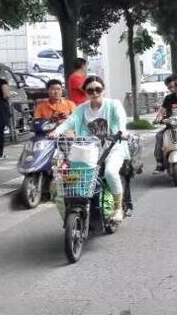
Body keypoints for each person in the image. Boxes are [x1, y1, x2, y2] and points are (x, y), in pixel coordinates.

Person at [51, 76, 129, 222]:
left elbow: (121, 119)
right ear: (86, 92)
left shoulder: (113, 105)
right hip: (87, 150)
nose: (94, 93)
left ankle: (118, 208)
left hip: (112, 147)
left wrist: (122, 131)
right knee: (68, 178)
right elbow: (70, 122)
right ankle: (73, 213)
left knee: (110, 172)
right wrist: (56, 132)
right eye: (90, 90)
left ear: (103, 90)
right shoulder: (82, 108)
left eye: (98, 89)